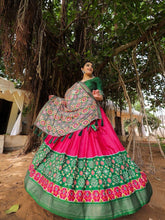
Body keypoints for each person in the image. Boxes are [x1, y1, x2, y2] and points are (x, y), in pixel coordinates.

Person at [24, 61, 152, 220]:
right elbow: (69, 101)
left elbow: (101, 94)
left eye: (92, 66)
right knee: (68, 144)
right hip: (74, 117)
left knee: (96, 146)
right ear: (82, 69)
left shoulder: (95, 80)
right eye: (87, 66)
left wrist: (99, 96)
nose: (90, 68)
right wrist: (59, 100)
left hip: (91, 115)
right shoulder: (75, 85)